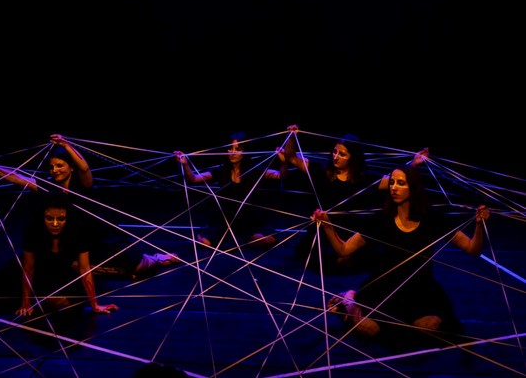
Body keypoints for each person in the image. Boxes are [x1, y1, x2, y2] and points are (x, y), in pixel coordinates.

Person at [312, 164, 490, 344]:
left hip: (420, 290)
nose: (394, 188)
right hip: (385, 289)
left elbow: (472, 249)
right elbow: (343, 250)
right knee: (367, 329)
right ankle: (349, 300)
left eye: (401, 183)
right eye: (392, 183)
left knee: (429, 328)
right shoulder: (381, 219)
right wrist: (327, 225)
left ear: (413, 187)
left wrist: (479, 225)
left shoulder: (432, 219)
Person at [0, 134, 180, 279]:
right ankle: (122, 272)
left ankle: (156, 259)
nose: (55, 170)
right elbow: (18, 178)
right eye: (51, 167)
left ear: (70, 168)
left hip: (104, 237)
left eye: (60, 165)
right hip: (77, 241)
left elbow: (84, 167)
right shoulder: (49, 186)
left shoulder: (82, 183)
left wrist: (66, 146)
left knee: (139, 267)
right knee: (67, 269)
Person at [283, 124, 428, 274]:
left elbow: (394, 179)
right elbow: (291, 157)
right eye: (335, 152)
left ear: (353, 157)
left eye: (342, 154)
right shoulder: (322, 171)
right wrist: (292, 137)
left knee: (353, 257)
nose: (336, 157)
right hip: (324, 230)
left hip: (350, 232)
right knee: (321, 261)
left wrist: (414, 163)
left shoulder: (363, 178)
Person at [174, 131, 286, 248]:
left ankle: (243, 240)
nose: (232, 152)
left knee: (267, 240)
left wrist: (283, 162)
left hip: (249, 219)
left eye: (237, 149)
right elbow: (193, 178)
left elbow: (281, 176)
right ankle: (234, 239)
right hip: (226, 220)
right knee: (205, 242)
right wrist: (185, 164)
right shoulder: (222, 171)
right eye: (230, 149)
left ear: (245, 152)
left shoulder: (254, 170)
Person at [16, 193, 119, 316]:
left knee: (67, 305)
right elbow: (29, 269)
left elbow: (85, 270)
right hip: (41, 279)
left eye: (60, 219)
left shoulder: (78, 233)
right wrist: (26, 302)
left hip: (65, 278)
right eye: (49, 218)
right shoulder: (33, 232)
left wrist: (95, 305)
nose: (55, 224)